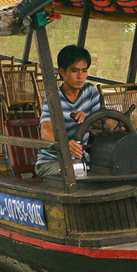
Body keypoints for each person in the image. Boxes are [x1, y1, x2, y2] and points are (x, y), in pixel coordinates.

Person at [34, 44, 102, 179]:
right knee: (76, 171)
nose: (80, 76)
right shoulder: (53, 98)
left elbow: (105, 123)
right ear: (63, 72)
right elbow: (45, 131)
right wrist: (64, 144)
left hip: (82, 160)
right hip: (52, 163)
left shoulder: (90, 91)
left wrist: (89, 118)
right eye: (75, 71)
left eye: (84, 71)